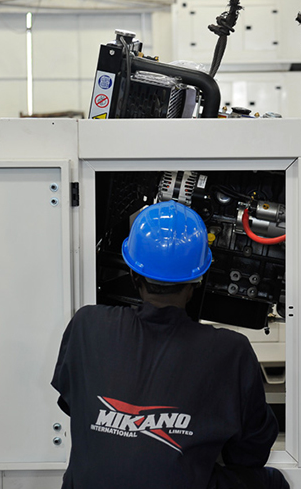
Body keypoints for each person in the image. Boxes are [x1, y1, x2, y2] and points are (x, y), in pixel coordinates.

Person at [52, 201, 288, 489]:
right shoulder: (231, 351)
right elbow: (251, 451)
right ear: (198, 280)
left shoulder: (86, 325)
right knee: (272, 482)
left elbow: (74, 405)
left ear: (133, 273)